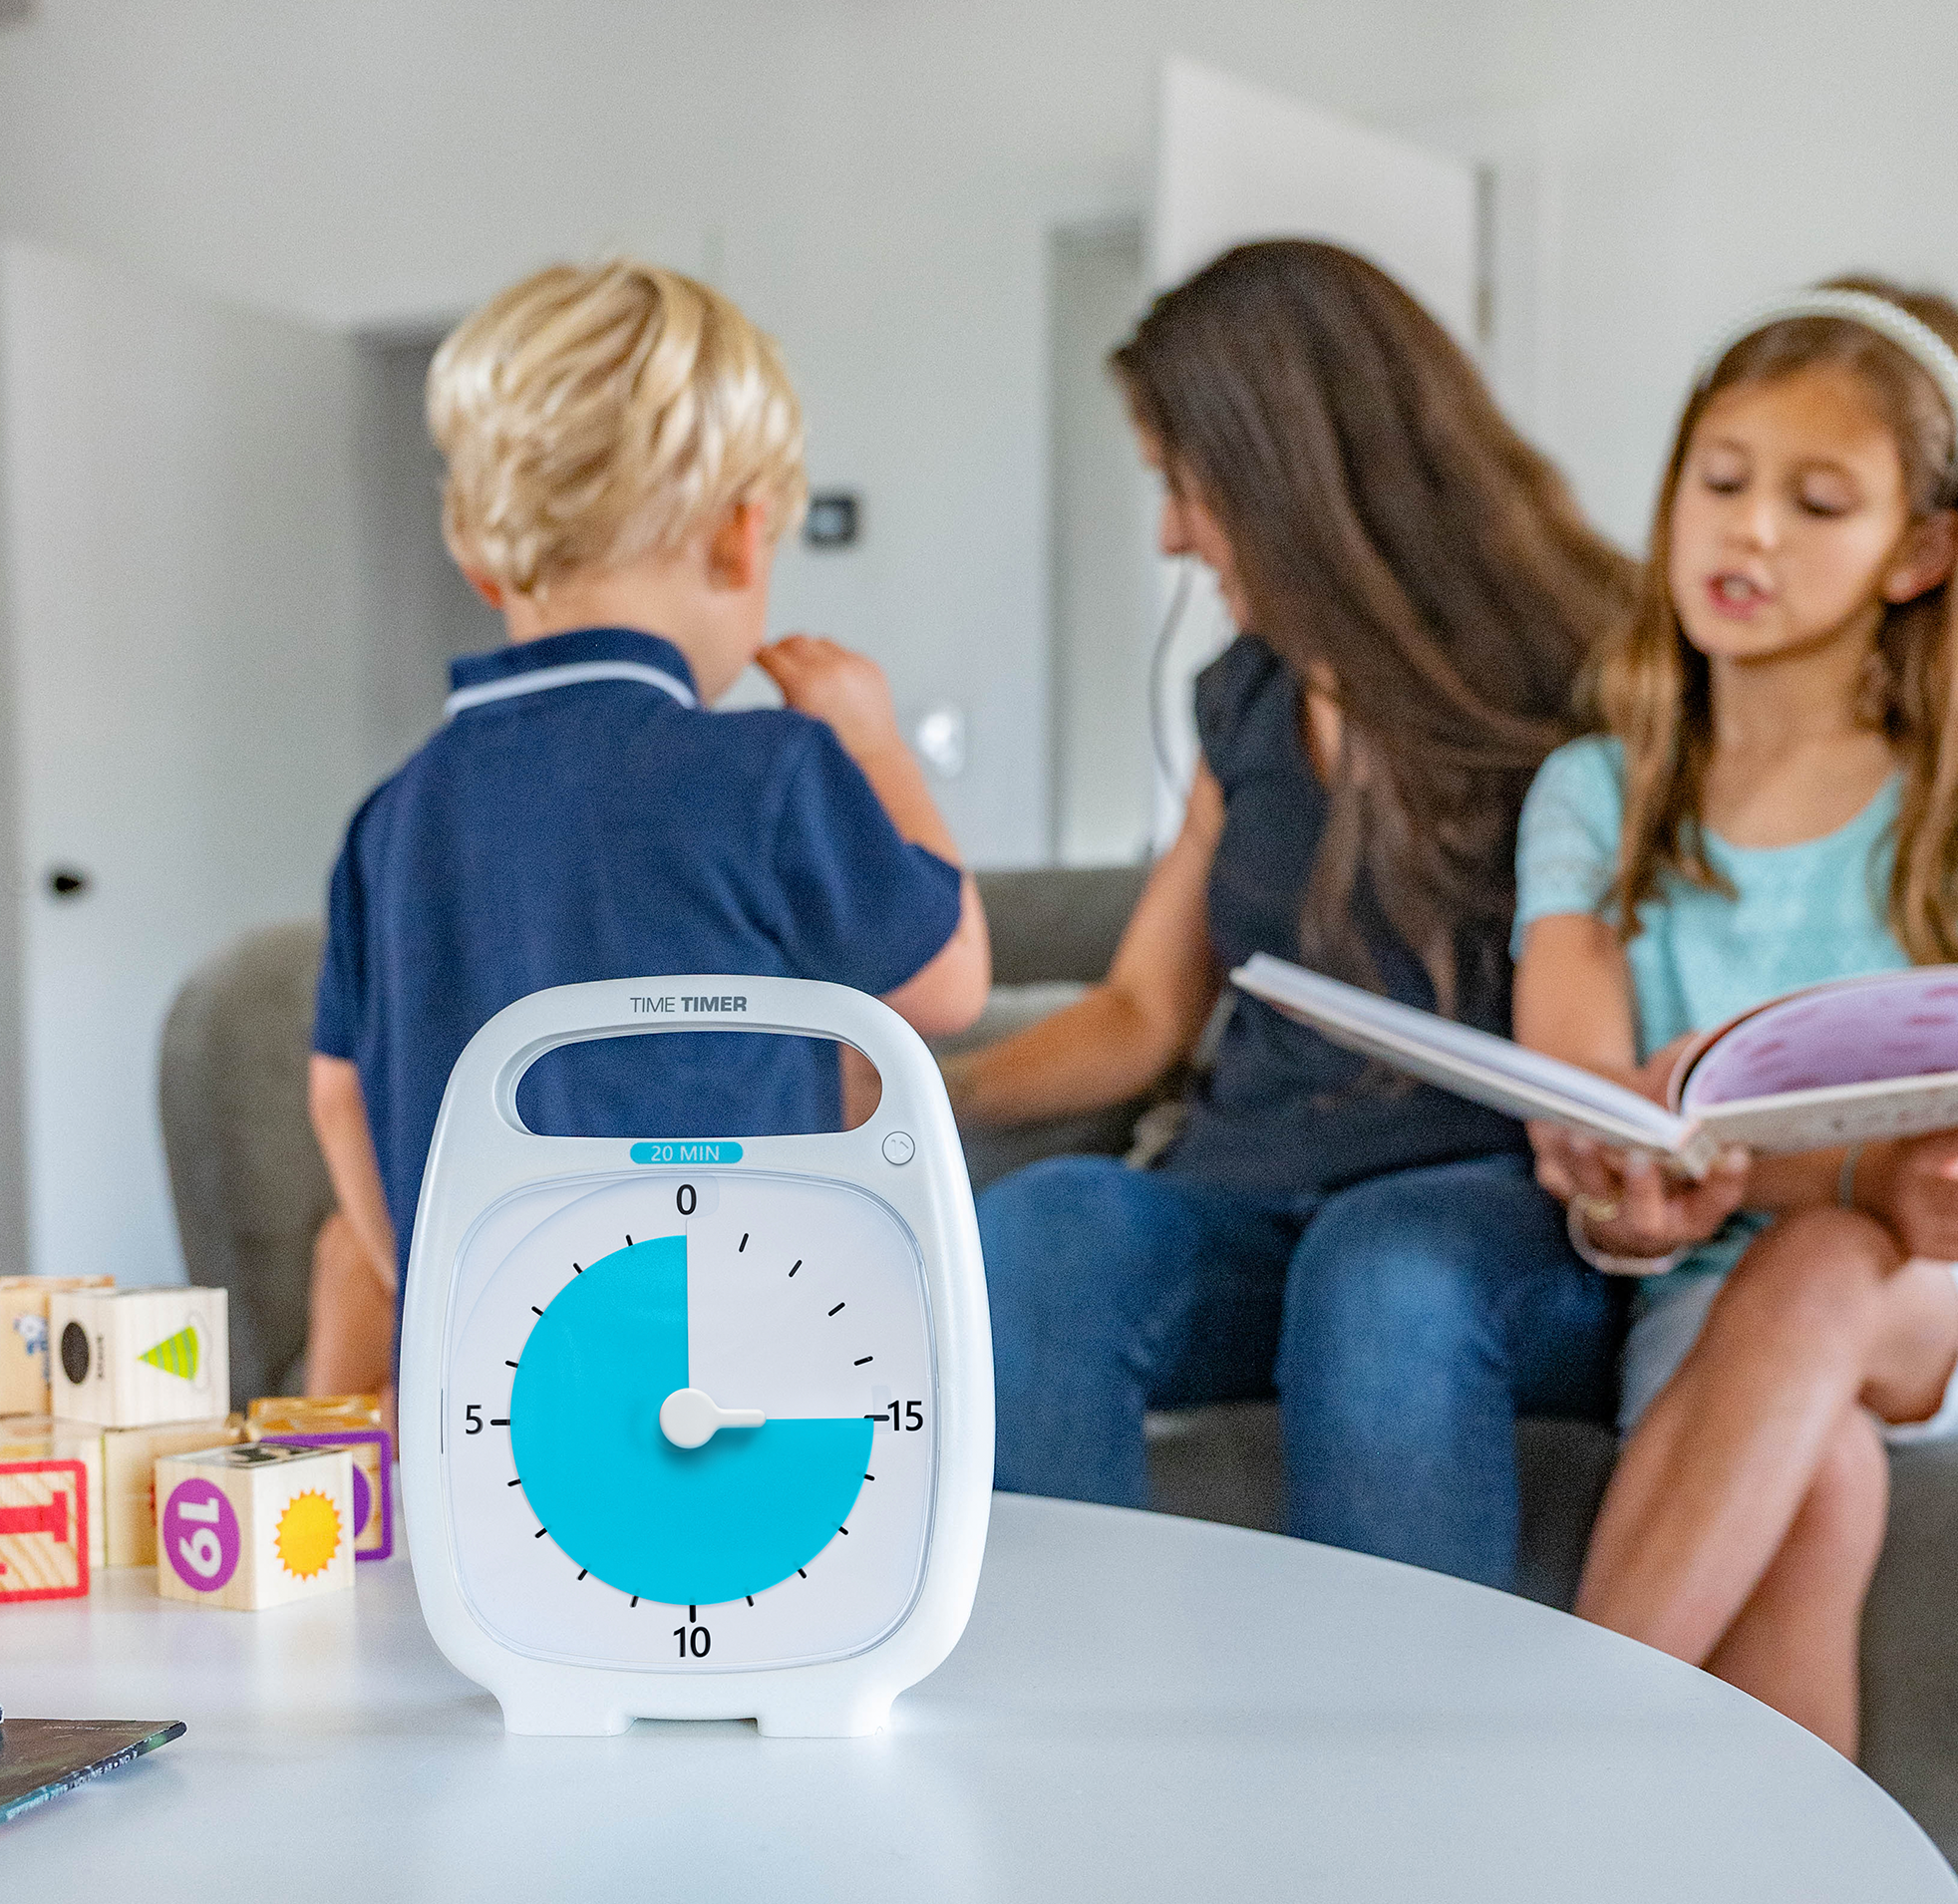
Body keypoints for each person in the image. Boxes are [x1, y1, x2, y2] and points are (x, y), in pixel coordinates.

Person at [944, 240, 1635, 1587]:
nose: (1170, 535)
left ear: (1289, 468)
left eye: (1183, 485)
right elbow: (1144, 1013)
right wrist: (909, 1091)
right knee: (1048, 1230)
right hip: (1250, 1216)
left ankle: (1396, 1793)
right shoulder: (1243, 700)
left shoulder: (1591, 676)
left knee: (1380, 1271)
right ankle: (1061, 1743)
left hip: (1484, 1233)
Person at [306, 261, 989, 1391]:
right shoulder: (770, 767)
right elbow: (948, 982)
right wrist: (873, 741)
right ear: (740, 538)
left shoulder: (389, 819)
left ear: (480, 559)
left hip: (499, 1368)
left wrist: (433, 1305)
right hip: (731, 1362)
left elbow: (337, 1097)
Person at [1513, 277, 1958, 1757]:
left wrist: (1829, 1189)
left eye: (1818, 502)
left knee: (1834, 1261)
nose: (1750, 528)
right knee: (1822, 1466)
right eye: (1721, 481)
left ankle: (1540, 1754)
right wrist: (1631, 1183)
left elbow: (1923, 1198)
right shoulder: (1596, 791)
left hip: (1927, 1294)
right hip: (1710, 1302)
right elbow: (1591, 1109)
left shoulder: (1938, 806)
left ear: (1920, 555)